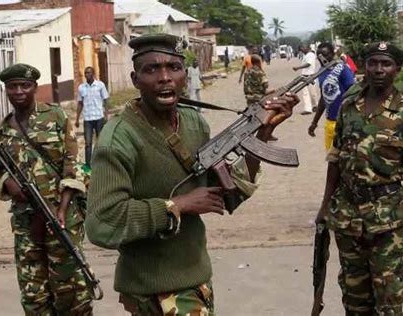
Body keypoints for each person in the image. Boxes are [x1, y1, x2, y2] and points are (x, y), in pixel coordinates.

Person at [84, 33, 299, 315]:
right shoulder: (119, 139)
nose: (165, 78)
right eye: (152, 69)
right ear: (135, 80)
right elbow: (101, 224)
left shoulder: (194, 122)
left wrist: (262, 133)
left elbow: (223, 196)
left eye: (174, 68)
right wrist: (179, 205)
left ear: (185, 75)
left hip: (196, 276)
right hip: (153, 288)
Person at [315, 42, 403, 315]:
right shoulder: (349, 106)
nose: (378, 69)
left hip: (388, 218)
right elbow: (336, 158)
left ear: (397, 69)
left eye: (386, 64)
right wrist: (325, 205)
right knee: (354, 298)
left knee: (389, 298)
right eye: (373, 63)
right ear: (365, 66)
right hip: (347, 215)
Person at [0, 63, 93, 315]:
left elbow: (73, 161)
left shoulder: (55, 116)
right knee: (33, 293)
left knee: (71, 290)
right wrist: (9, 183)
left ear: (35, 87)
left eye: (24, 85)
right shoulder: (4, 130)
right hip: (26, 222)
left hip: (62, 217)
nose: (18, 91)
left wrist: (63, 206)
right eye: (12, 87)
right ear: (6, 90)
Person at [308, 42, 356, 150]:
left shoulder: (343, 69)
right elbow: (324, 98)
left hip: (344, 123)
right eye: (319, 56)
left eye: (326, 55)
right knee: (331, 158)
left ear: (332, 54)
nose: (322, 58)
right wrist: (314, 122)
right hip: (330, 122)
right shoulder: (321, 72)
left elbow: (353, 93)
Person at [75, 66, 109, 167]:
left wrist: (106, 115)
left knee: (100, 141)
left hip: (99, 117)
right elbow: (80, 103)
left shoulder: (100, 85)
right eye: (85, 73)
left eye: (89, 73)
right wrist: (77, 119)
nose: (87, 75)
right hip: (87, 119)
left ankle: (102, 162)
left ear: (93, 74)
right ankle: (88, 164)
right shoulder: (81, 88)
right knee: (88, 143)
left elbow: (106, 100)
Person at [244, 54, 277, 141]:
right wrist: (272, 91)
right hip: (259, 98)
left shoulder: (247, 72)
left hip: (249, 98)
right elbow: (265, 85)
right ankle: (267, 134)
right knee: (266, 117)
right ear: (259, 62)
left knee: (251, 116)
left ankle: (247, 135)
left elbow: (246, 86)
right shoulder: (260, 72)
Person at [293, 44, 319, 114]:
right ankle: (310, 108)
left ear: (306, 48)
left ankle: (313, 107)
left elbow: (308, 64)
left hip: (309, 76)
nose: (301, 51)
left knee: (311, 93)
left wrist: (298, 67)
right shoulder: (307, 55)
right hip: (306, 76)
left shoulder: (310, 55)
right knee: (308, 93)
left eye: (302, 49)